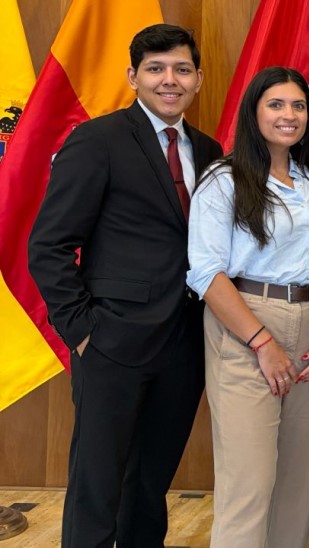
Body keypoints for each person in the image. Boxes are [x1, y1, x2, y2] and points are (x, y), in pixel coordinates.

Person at [27, 24, 222, 547]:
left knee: (150, 485)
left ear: (198, 79)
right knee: (98, 484)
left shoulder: (210, 151)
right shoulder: (97, 140)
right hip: (111, 342)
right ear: (133, 77)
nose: (169, 79)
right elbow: (48, 244)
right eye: (155, 69)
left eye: (181, 69)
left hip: (185, 344)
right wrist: (81, 330)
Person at [186, 66, 309, 547]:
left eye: (298, 105)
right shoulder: (223, 180)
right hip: (246, 327)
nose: (289, 114)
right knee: (248, 484)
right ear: (253, 112)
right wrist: (261, 342)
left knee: (299, 481)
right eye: (276, 104)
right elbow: (206, 274)